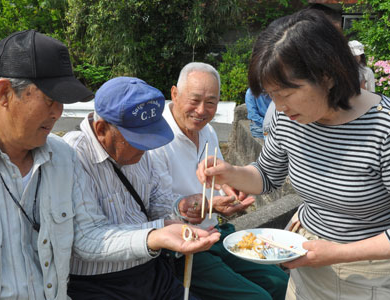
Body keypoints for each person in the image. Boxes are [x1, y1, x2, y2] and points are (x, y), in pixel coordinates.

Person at [197, 9, 390, 300]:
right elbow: (266, 176)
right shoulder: (284, 116)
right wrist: (230, 172)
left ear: (327, 75)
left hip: (367, 273)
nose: (279, 105)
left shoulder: (382, 128)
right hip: (305, 256)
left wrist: (339, 252)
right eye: (271, 94)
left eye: (286, 93)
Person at [0, 30, 95, 299]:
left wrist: (155, 234)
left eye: (61, 102)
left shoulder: (63, 158)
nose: (58, 112)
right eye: (49, 100)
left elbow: (89, 234)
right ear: (4, 93)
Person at [63, 76, 220, 300]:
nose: (145, 150)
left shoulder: (143, 153)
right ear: (101, 129)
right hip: (97, 285)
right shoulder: (73, 154)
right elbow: (88, 239)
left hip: (151, 272)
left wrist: (180, 207)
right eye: (137, 141)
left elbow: (157, 199)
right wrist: (156, 235)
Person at [150, 62, 289, 300]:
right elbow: (156, 206)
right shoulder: (155, 138)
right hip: (183, 246)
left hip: (217, 232)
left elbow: (219, 177)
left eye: (211, 102)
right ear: (174, 93)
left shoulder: (207, 131)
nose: (202, 110)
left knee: (281, 282)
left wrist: (231, 190)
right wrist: (210, 205)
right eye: (194, 100)